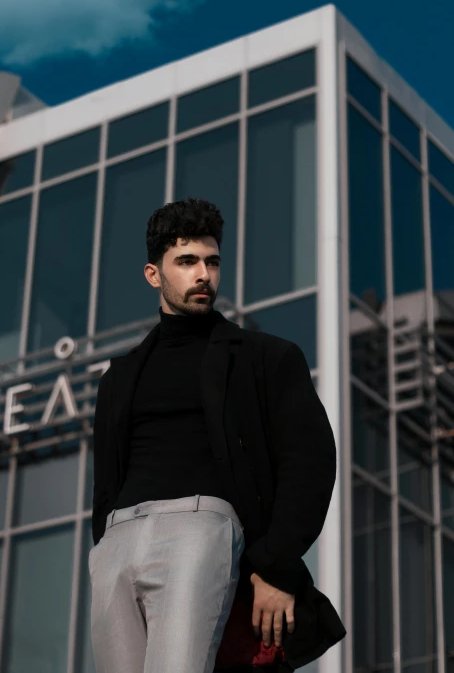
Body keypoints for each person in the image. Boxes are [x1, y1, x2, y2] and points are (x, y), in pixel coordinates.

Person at [89, 198, 344, 673]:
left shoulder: (265, 357)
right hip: (118, 541)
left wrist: (274, 565)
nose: (203, 274)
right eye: (186, 262)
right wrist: (103, 542)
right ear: (154, 274)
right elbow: (105, 481)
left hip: (200, 528)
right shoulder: (118, 377)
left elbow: (309, 462)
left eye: (211, 261)